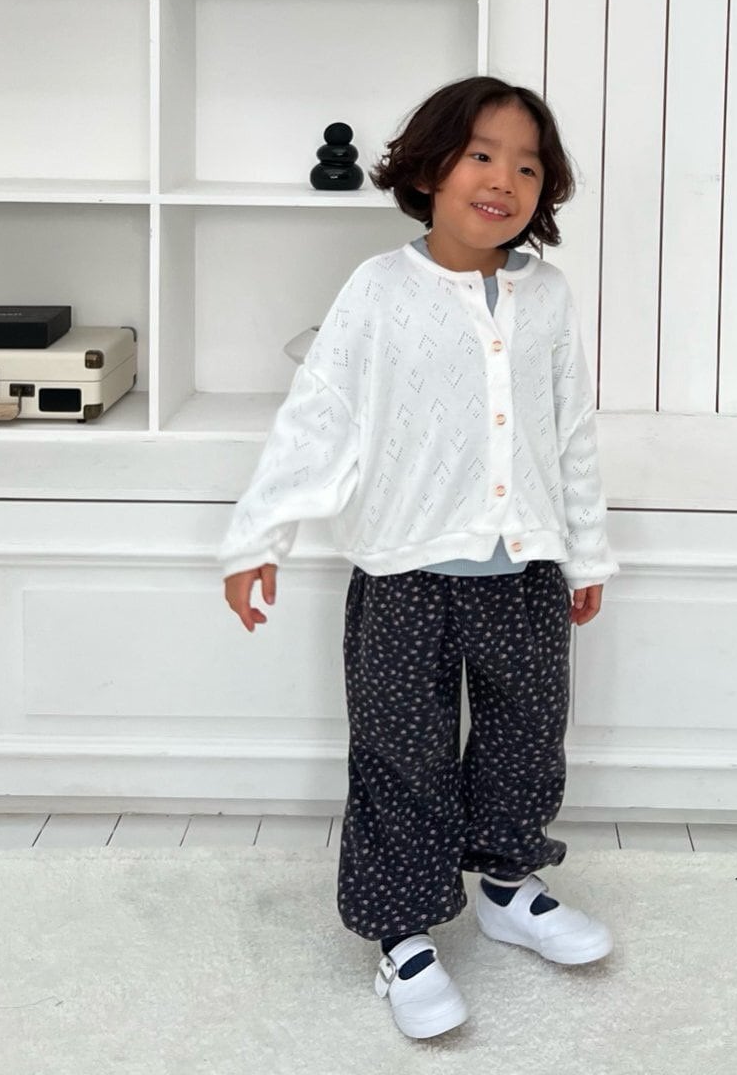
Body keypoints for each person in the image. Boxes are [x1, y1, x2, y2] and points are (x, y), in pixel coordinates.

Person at [218, 75, 619, 1040]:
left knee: (527, 741)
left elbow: (571, 432)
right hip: (403, 577)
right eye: (481, 155)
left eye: (527, 166)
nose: (503, 179)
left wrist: (586, 557)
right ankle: (402, 935)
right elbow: (319, 418)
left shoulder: (547, 297)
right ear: (432, 169)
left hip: (526, 575)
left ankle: (509, 889)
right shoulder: (378, 290)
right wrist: (259, 537)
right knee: (403, 758)